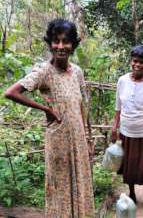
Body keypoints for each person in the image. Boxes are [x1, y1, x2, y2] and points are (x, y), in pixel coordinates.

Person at [4, 19, 95, 217]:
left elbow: (81, 106)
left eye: (66, 41)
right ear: (50, 43)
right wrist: (45, 108)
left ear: (73, 44)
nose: (60, 46)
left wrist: (87, 139)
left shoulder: (77, 72)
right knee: (60, 188)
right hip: (58, 140)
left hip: (78, 140)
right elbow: (11, 92)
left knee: (80, 182)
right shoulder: (45, 71)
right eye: (56, 41)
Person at [111, 45, 143, 212]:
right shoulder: (122, 81)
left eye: (141, 62)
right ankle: (132, 193)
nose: (137, 65)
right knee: (130, 166)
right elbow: (118, 107)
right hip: (126, 132)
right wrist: (114, 127)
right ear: (131, 61)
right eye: (135, 61)